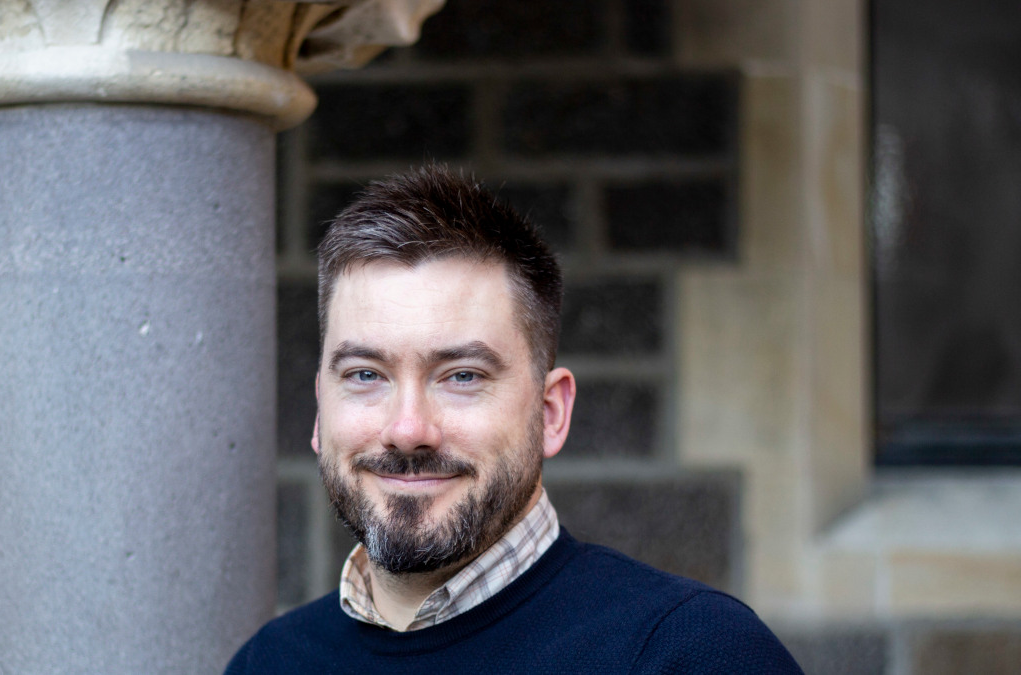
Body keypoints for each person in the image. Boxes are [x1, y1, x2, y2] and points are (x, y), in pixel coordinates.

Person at [226, 166, 803, 674]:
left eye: (462, 375)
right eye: (365, 375)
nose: (408, 430)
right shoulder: (268, 663)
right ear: (320, 410)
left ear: (550, 412)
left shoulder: (693, 655)